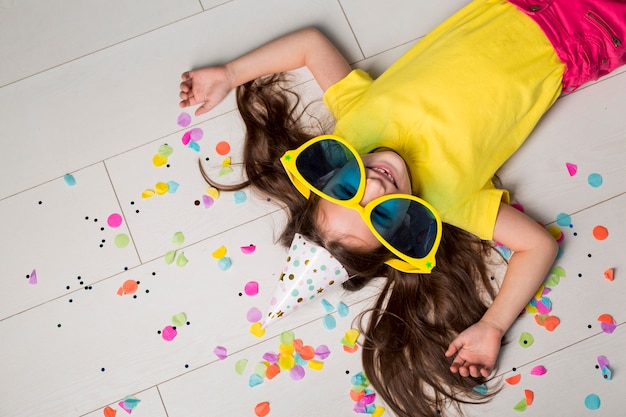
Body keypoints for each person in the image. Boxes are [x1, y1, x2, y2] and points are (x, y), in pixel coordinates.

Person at [179, 0, 626, 416]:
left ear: (326, 174)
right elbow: (537, 247)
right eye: (383, 213)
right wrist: (492, 325)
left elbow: (310, 45)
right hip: (586, 36)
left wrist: (231, 73)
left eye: (346, 186)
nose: (373, 184)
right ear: (405, 230)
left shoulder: (356, 123)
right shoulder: (450, 202)